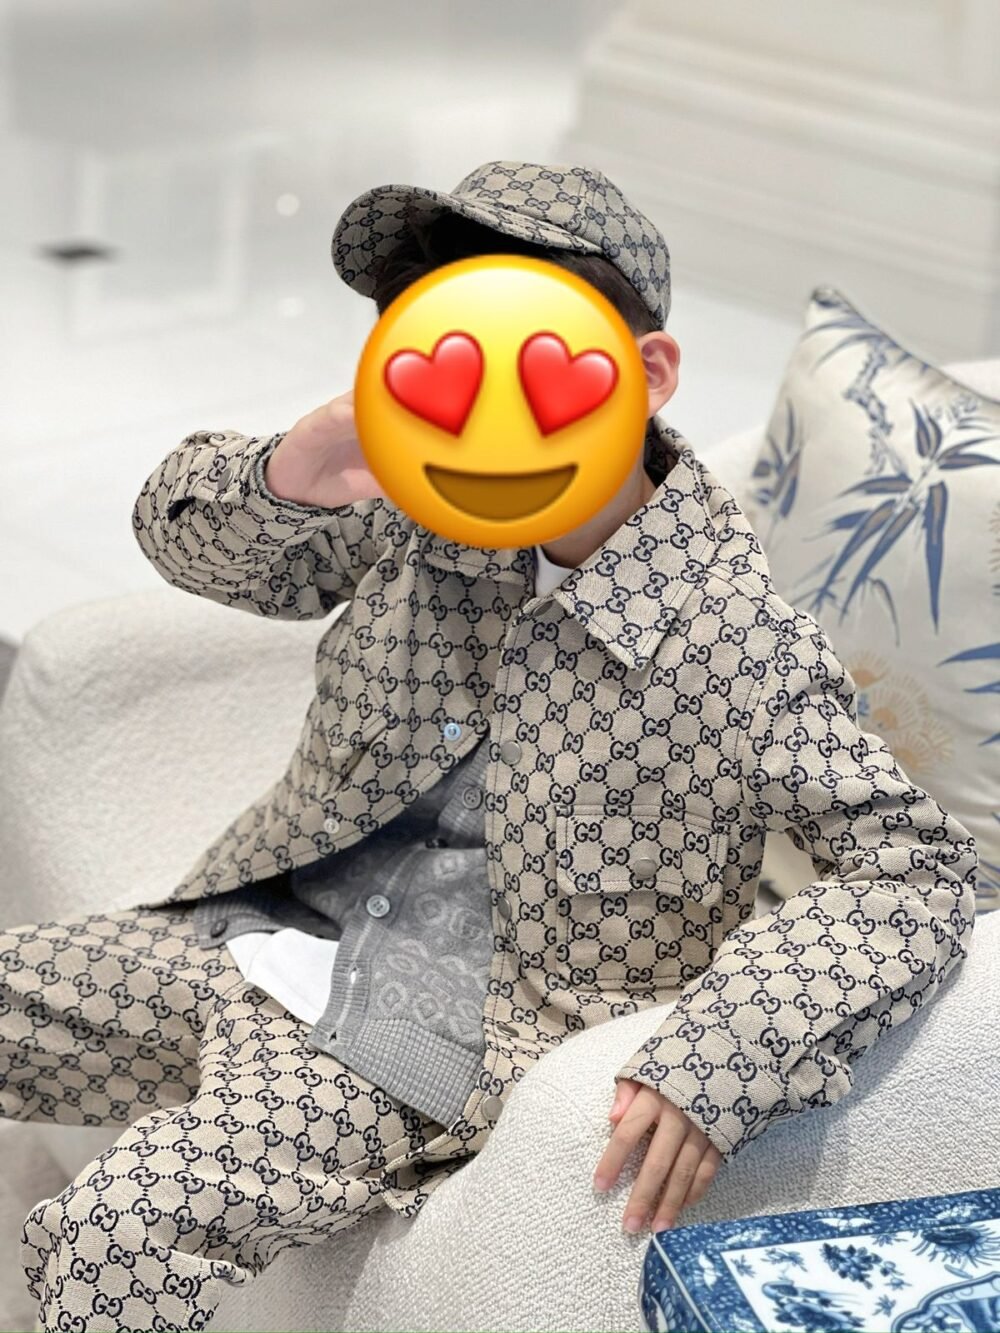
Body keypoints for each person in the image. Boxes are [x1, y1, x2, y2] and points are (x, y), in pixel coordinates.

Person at [4, 161, 977, 1333]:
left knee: (119, 1234)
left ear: (647, 373)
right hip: (254, 925)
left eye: (534, 366)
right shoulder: (421, 510)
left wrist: (723, 1051)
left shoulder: (733, 640)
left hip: (422, 1038)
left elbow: (916, 872)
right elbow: (201, 548)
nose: (486, 412)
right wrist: (298, 463)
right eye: (446, 361)